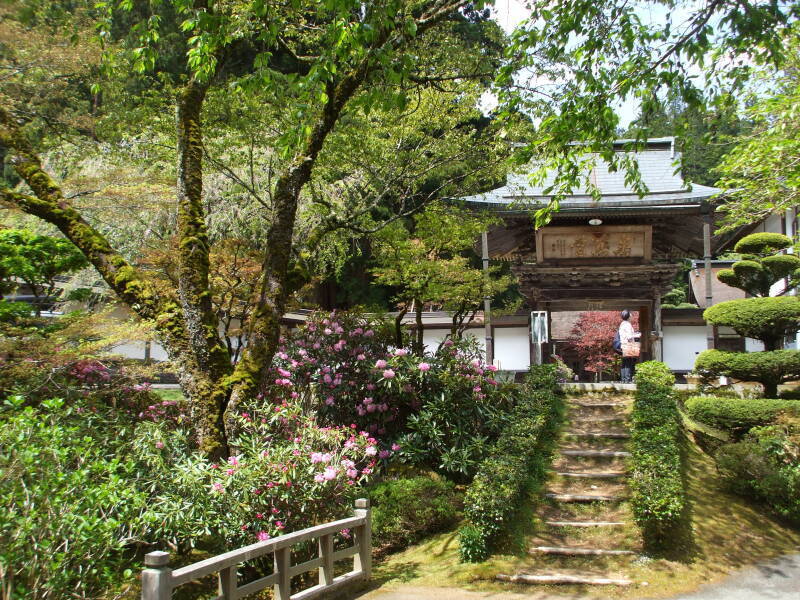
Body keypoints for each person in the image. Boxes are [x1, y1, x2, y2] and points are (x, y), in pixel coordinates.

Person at [618, 310, 638, 383]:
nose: (632, 316)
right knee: (629, 363)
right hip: (628, 344)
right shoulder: (628, 324)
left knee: (624, 362)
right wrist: (637, 335)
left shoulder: (622, 324)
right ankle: (627, 379)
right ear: (628, 316)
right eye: (630, 314)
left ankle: (623, 379)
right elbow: (629, 337)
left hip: (623, 344)